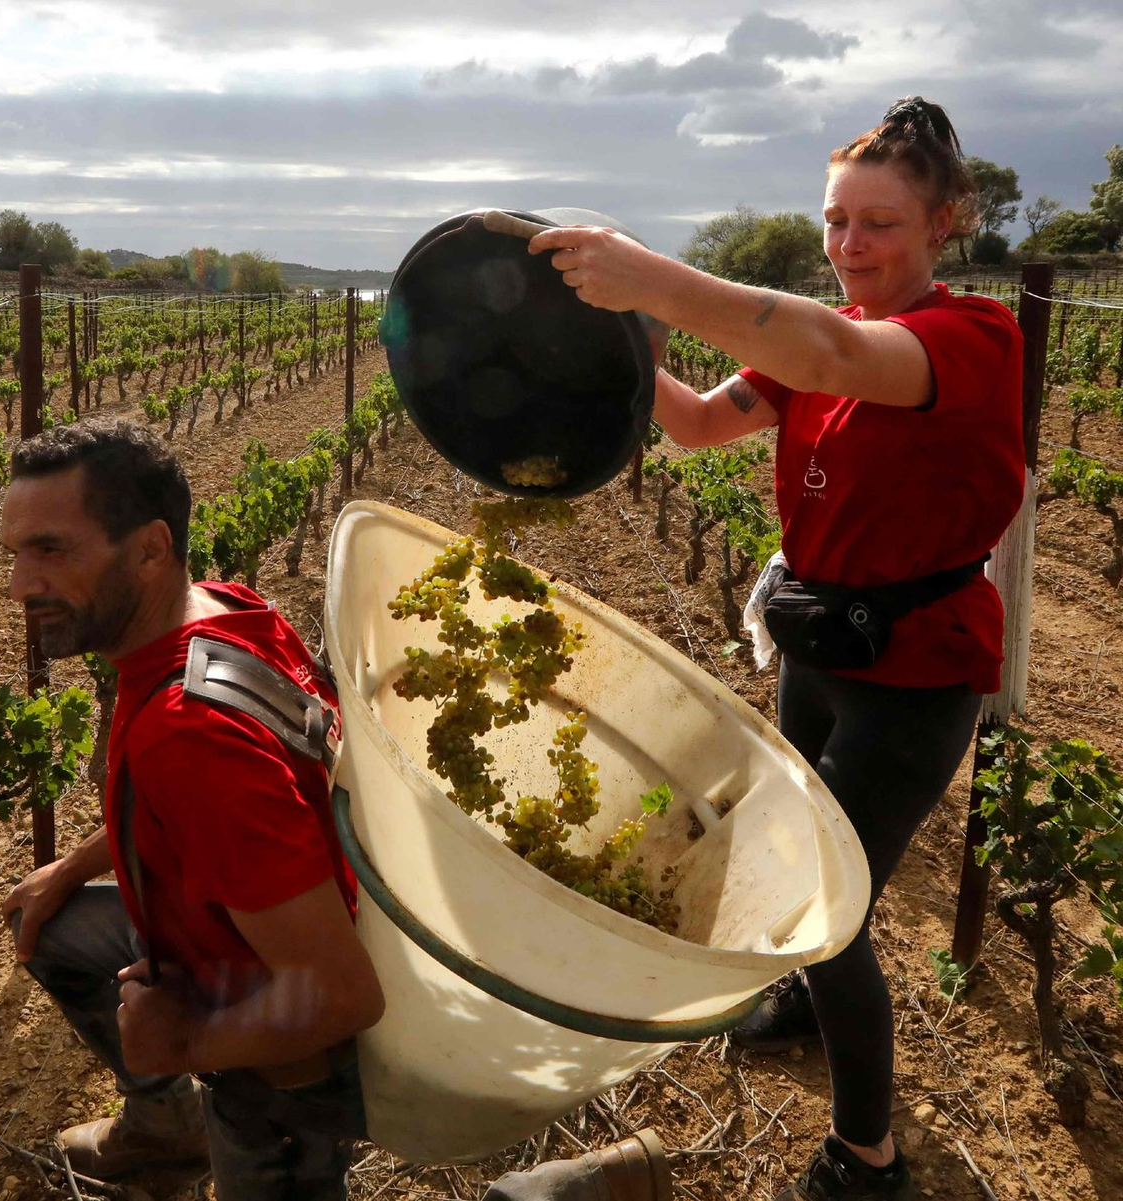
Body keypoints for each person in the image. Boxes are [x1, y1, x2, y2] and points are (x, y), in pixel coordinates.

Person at [528, 98, 1025, 1201]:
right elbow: (703, 421)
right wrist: (627, 346)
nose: (851, 247)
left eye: (881, 225)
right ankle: (802, 999)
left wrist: (655, 276)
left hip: (913, 673)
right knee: (802, 877)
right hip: (816, 638)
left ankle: (868, 1157)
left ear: (946, 225)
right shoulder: (820, 345)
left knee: (818, 899)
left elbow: (832, 348)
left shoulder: (966, 339)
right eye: (836, 221)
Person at [0, 423, 385, 1201]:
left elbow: (343, 996)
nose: (18, 584)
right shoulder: (226, 608)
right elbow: (209, 807)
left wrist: (184, 1039)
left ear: (149, 548)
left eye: (51, 550)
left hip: (284, 1068)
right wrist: (70, 867)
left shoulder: (190, 736)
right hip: (241, 924)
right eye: (14, 552)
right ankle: (166, 1128)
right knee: (51, 926)